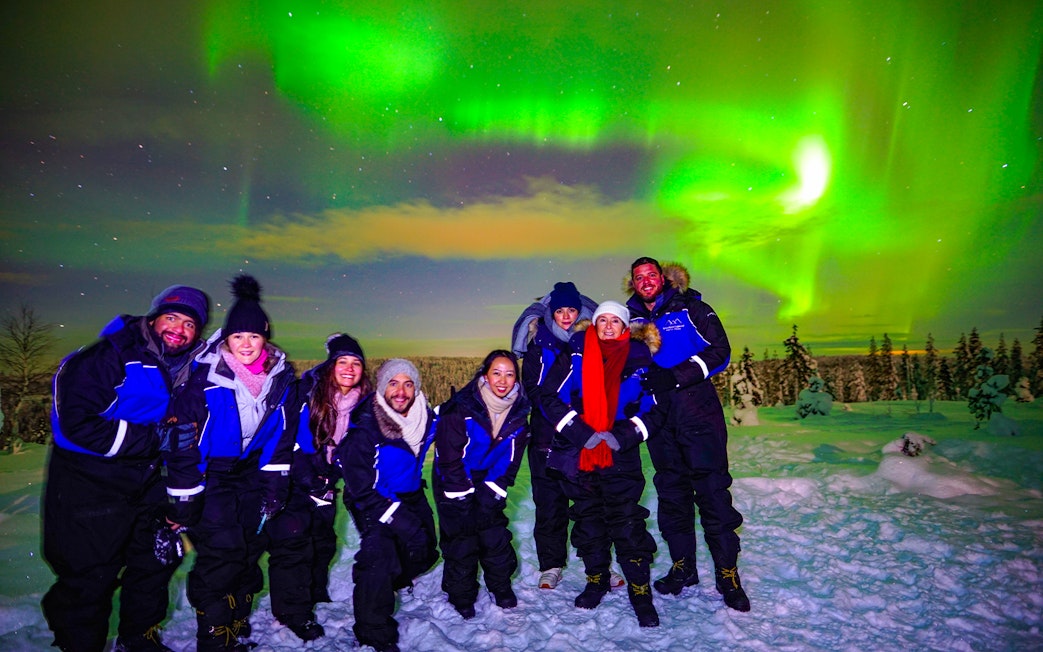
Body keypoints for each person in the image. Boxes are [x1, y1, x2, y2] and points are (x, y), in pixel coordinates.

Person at [43, 284, 209, 652]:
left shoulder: (191, 366)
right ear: (153, 318)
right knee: (90, 574)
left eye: (189, 325)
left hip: (146, 479)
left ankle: (139, 638)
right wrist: (155, 439)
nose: (179, 330)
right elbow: (75, 424)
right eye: (171, 318)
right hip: (89, 481)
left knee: (154, 561)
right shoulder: (111, 356)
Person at [166, 275, 299, 649]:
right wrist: (184, 492)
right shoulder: (206, 377)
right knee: (222, 551)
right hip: (212, 475)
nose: (246, 344)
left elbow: (281, 437)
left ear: (265, 337)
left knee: (251, 547)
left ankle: (236, 617)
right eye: (238, 336)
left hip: (251, 473)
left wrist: (275, 484)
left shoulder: (280, 379)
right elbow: (182, 439)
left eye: (254, 336)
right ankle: (214, 635)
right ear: (226, 338)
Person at [625, 256, 750, 612]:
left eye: (651, 274)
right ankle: (684, 567)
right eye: (639, 277)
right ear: (633, 283)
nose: (646, 281)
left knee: (712, 494)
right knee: (671, 495)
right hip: (659, 421)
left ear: (663, 278)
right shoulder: (630, 321)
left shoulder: (691, 308)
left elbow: (720, 352)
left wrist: (677, 376)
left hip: (698, 415)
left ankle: (727, 574)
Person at [536, 301, 661, 627]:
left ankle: (640, 590)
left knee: (628, 523)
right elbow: (548, 396)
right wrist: (580, 432)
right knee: (588, 519)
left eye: (614, 321)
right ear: (594, 324)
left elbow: (655, 407)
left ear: (624, 327)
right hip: (582, 452)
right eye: (602, 319)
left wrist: (626, 434)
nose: (607, 326)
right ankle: (597, 579)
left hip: (621, 455)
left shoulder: (640, 358)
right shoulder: (575, 352)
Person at [274, 332, 373, 638]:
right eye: (342, 361)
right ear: (330, 365)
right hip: (295, 477)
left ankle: (314, 592)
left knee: (323, 541)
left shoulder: (363, 403)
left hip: (326, 482)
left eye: (356, 363)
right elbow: (288, 438)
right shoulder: (307, 392)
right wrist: (309, 477)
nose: (349, 368)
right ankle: (293, 612)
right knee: (294, 544)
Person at [336, 359, 439, 652]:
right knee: (379, 556)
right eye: (393, 383)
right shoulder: (366, 426)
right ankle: (373, 632)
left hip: (410, 492)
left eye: (408, 384)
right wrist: (395, 516)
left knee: (426, 548)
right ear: (382, 387)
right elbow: (360, 485)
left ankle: (397, 578)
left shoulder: (424, 418)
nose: (401, 392)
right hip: (371, 497)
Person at [511, 281, 601, 590]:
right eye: (560, 310)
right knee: (549, 502)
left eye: (571, 310)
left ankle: (596, 561)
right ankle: (551, 564)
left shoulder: (592, 342)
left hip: (584, 435)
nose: (565, 316)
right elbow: (534, 389)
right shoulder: (539, 344)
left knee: (589, 501)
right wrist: (563, 417)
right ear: (551, 313)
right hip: (547, 434)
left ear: (580, 312)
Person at [433, 350, 531, 618]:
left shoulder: (519, 413)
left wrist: (493, 489)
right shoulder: (461, 408)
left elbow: (510, 459)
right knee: (462, 540)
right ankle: (461, 595)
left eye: (509, 374)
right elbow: (450, 456)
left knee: (494, 536)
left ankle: (500, 586)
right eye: (496, 373)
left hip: (489, 479)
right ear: (485, 376)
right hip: (454, 478)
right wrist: (462, 494)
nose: (503, 380)